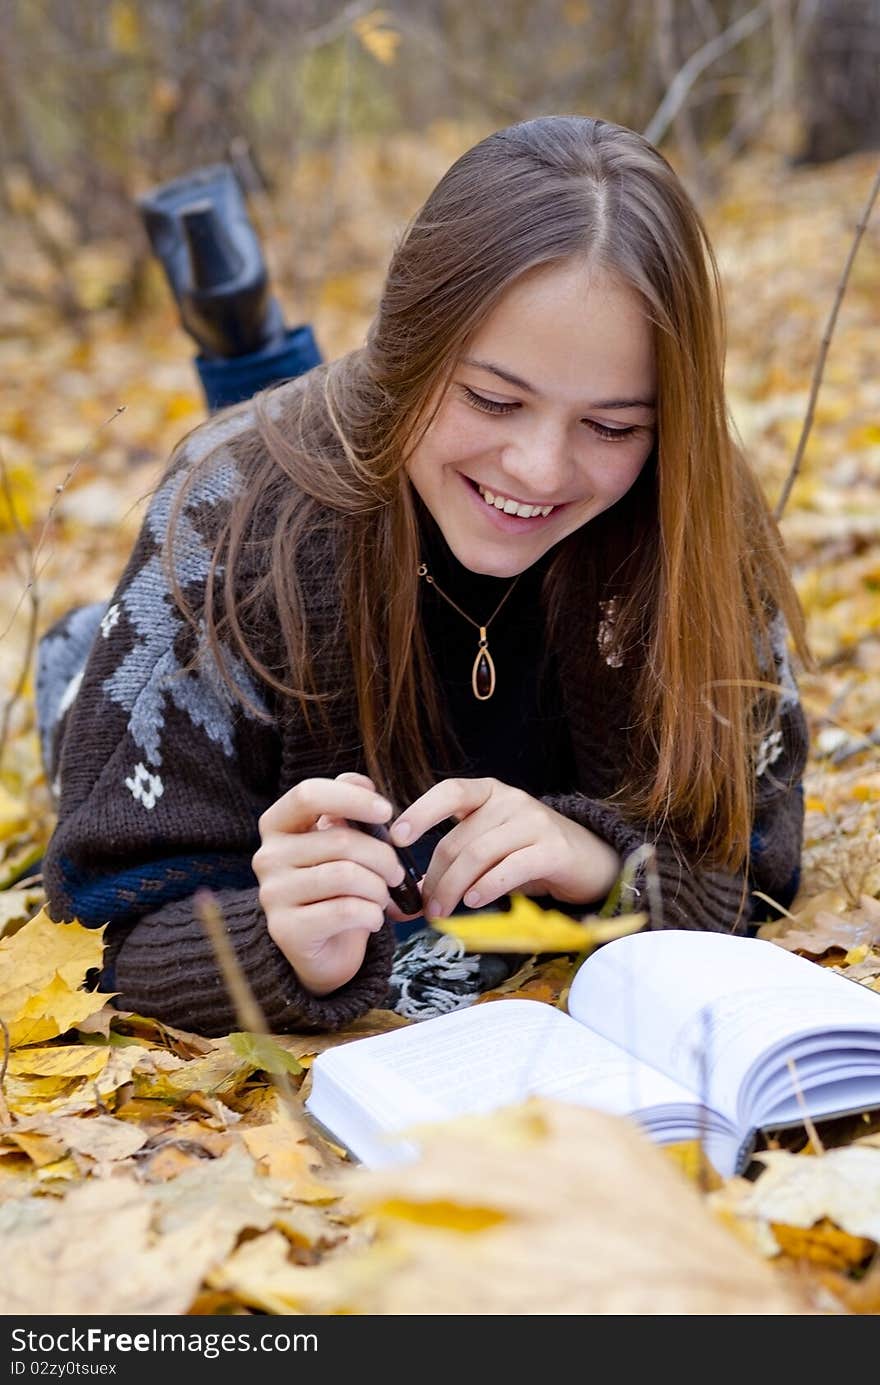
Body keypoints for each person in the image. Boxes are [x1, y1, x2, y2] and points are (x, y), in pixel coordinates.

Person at [37, 114, 810, 1037]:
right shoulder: (225, 517)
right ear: (409, 345)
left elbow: (759, 860)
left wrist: (602, 862)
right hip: (253, 590)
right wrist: (272, 937)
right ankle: (83, 647)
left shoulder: (694, 513)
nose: (538, 469)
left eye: (611, 426)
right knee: (109, 663)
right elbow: (107, 924)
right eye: (493, 398)